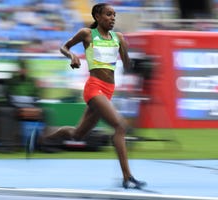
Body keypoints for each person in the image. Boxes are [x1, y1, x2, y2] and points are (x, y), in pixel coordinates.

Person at [40, 3, 146, 189]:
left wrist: (127, 51)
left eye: (114, 15)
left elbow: (128, 66)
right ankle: (127, 176)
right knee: (120, 126)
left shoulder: (118, 37)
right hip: (94, 88)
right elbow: (63, 47)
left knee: (77, 135)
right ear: (97, 17)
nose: (113, 18)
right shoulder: (87, 34)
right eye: (108, 14)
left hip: (108, 90)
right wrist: (72, 56)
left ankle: (42, 139)